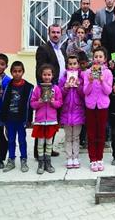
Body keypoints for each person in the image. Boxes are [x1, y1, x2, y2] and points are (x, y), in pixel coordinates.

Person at [35, 24, 65, 158]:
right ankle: (38, 152)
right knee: (43, 121)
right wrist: (45, 90)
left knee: (53, 121)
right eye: (53, 32)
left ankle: (49, 148)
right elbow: (40, 71)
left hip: (60, 90)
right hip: (49, 90)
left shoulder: (61, 49)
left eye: (58, 32)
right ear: (48, 33)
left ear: (61, 34)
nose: (55, 35)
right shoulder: (43, 49)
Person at [83, 47, 113, 172]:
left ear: (105, 59)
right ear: (93, 58)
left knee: (100, 133)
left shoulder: (108, 73)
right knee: (91, 133)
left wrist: (102, 81)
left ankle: (99, 158)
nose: (98, 59)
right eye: (96, 56)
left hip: (102, 106)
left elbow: (108, 91)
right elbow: (85, 91)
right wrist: (90, 82)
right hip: (90, 106)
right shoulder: (87, 72)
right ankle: (92, 159)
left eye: (101, 56)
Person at [1, 61, 34, 173]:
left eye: (19, 71)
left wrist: (29, 120)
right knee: (10, 140)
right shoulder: (8, 86)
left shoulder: (28, 87)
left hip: (21, 119)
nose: (17, 74)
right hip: (10, 118)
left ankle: (23, 159)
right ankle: (11, 160)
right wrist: (3, 120)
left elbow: (30, 105)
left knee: (22, 140)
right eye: (14, 71)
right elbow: (4, 102)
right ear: (11, 72)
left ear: (23, 72)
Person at [30, 64, 63, 174]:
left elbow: (60, 103)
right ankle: (41, 163)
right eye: (45, 74)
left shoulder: (56, 88)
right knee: (40, 142)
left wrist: (53, 102)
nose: (47, 77)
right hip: (40, 120)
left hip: (51, 120)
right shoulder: (38, 89)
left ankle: (48, 163)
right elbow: (32, 104)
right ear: (41, 75)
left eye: (49, 74)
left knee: (49, 142)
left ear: (52, 75)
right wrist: (39, 102)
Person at [59, 55, 85, 169]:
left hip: (78, 112)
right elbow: (59, 95)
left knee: (76, 137)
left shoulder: (81, 79)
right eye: (70, 64)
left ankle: (76, 156)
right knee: (68, 136)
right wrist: (65, 88)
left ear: (78, 65)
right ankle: (69, 157)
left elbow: (85, 95)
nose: (73, 66)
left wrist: (79, 86)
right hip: (66, 113)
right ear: (67, 65)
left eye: (75, 63)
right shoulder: (63, 79)